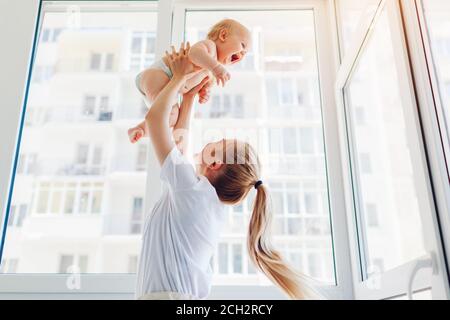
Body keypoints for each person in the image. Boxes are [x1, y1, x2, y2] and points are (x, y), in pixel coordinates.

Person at [136, 43, 321, 300]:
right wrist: (188, 98)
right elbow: (178, 143)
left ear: (215, 163)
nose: (216, 141)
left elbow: (157, 120)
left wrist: (178, 78)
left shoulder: (192, 191)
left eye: (221, 143)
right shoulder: (202, 197)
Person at [128, 19, 252, 144]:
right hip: (158, 74)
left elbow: (199, 85)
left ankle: (141, 129)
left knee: (172, 117)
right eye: (242, 46)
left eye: (245, 53)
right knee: (163, 110)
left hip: (168, 88)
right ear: (223, 35)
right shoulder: (209, 47)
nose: (242, 55)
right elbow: (194, 53)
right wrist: (216, 68)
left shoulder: (210, 71)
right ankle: (154, 123)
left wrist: (204, 92)